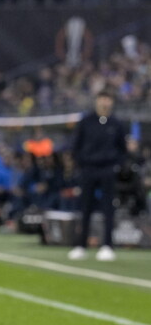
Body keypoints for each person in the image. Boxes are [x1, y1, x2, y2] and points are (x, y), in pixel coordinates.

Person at [67, 90, 127, 262]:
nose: (105, 102)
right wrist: (81, 163)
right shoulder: (86, 122)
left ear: (112, 102)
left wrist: (116, 165)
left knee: (108, 208)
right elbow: (76, 146)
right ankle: (80, 245)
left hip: (108, 170)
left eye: (108, 99)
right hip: (88, 170)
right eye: (102, 99)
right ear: (96, 101)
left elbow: (122, 149)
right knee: (85, 207)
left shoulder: (116, 124)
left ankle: (107, 245)